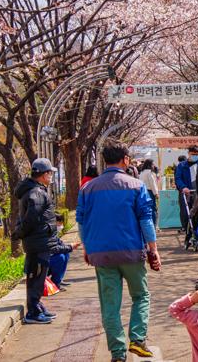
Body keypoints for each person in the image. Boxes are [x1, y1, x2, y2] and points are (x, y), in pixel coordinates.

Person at [77, 140, 161, 362]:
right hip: (131, 252)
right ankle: (137, 339)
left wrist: (87, 247)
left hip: (101, 255)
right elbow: (146, 219)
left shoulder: (88, 188)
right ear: (125, 160)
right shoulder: (136, 186)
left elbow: (82, 222)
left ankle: (117, 353)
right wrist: (153, 248)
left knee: (110, 305)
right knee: (141, 296)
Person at [13, 158, 58, 325]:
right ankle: (32, 312)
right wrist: (19, 233)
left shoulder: (35, 190)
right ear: (43, 174)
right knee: (36, 277)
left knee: (38, 276)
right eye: (50, 173)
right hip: (38, 243)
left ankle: (36, 306)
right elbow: (31, 218)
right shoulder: (37, 193)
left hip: (38, 242)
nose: (51, 176)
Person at [175, 146, 198, 247]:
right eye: (193, 154)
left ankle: (197, 235)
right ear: (188, 153)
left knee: (197, 214)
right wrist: (183, 187)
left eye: (197, 154)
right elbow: (178, 178)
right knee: (186, 214)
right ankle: (188, 235)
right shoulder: (181, 166)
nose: (195, 156)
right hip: (186, 193)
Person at [48, 214, 80, 288]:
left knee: (65, 253)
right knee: (60, 257)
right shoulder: (47, 233)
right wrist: (70, 247)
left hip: (49, 259)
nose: (61, 226)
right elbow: (54, 249)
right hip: (42, 263)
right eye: (59, 223)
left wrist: (70, 246)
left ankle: (58, 280)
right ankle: (55, 284)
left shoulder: (54, 233)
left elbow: (60, 245)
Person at [139, 159, 160, 230]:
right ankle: (153, 226)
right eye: (152, 164)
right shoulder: (149, 173)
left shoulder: (142, 172)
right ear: (150, 165)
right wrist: (156, 193)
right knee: (153, 209)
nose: (153, 166)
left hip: (142, 192)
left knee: (145, 210)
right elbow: (152, 184)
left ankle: (147, 227)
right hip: (150, 192)